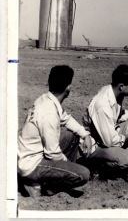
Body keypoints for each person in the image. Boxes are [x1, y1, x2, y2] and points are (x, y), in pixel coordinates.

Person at [18, 65, 91, 198]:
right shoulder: (49, 112)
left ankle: (51, 182)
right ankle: (35, 182)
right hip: (31, 164)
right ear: (68, 88)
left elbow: (66, 119)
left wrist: (85, 134)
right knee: (83, 174)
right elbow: (53, 153)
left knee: (71, 135)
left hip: (28, 154)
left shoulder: (46, 99)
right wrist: (67, 166)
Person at [82, 64, 128, 180]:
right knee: (127, 160)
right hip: (95, 144)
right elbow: (109, 141)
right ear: (122, 86)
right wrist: (126, 138)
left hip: (107, 134)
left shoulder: (113, 92)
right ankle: (95, 166)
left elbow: (119, 115)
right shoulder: (103, 104)